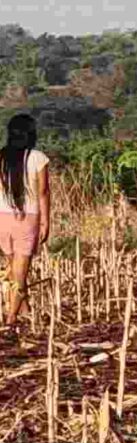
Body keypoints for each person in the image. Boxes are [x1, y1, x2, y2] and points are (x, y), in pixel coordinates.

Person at [1, 114, 50, 326]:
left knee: (13, 267)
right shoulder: (38, 158)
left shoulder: (1, 157)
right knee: (20, 272)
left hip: (2, 218)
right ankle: (11, 318)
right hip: (27, 218)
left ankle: (25, 311)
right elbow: (43, 193)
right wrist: (45, 221)